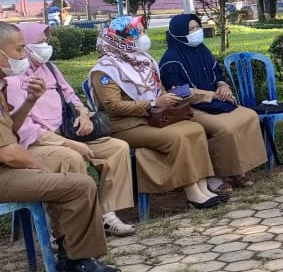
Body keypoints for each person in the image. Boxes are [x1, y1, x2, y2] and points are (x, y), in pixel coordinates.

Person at [0, 22, 120, 272]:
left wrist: (29, 101)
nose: (23, 55)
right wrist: (41, 169)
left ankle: (71, 253)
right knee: (78, 185)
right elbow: (8, 153)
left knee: (66, 180)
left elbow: (7, 131)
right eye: (18, 49)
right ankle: (77, 262)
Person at [5, 22, 136, 237]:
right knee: (70, 156)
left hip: (68, 131)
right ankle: (66, 230)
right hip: (39, 141)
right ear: (24, 46)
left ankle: (107, 214)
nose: (45, 46)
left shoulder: (50, 69)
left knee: (117, 148)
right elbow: (26, 130)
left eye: (46, 41)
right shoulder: (13, 79)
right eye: (39, 42)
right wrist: (68, 144)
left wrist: (83, 114)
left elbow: (70, 96)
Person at [90, 16, 225, 209]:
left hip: (153, 118)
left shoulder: (142, 60)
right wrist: (153, 102)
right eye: (138, 33)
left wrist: (165, 96)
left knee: (195, 129)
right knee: (177, 137)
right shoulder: (105, 69)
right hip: (125, 125)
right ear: (122, 38)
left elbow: (156, 88)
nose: (143, 37)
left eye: (143, 31)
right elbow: (114, 106)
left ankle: (202, 187)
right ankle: (192, 193)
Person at [159, 14, 268, 187]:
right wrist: (212, 95)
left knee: (249, 116)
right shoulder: (170, 60)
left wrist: (223, 86)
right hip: (191, 108)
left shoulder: (201, 50)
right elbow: (180, 93)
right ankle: (220, 174)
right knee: (225, 129)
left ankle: (243, 168)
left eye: (198, 27)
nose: (196, 32)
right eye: (191, 29)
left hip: (216, 101)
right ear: (178, 33)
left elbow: (217, 73)